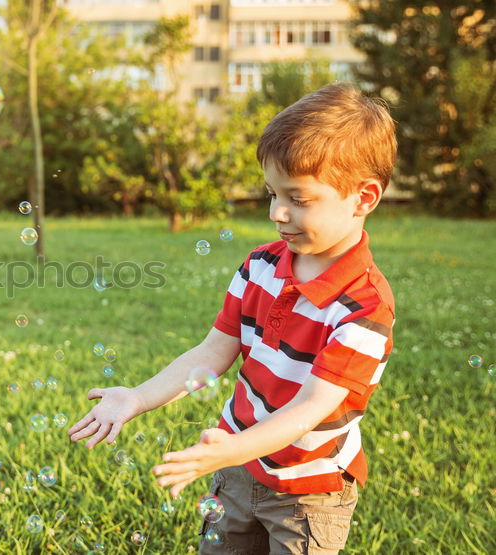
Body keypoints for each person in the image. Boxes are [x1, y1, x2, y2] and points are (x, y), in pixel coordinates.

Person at [68, 82, 397, 554]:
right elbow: (212, 352)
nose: (277, 212)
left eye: (299, 199)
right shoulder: (260, 265)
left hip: (308, 492)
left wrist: (231, 449)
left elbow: (309, 409)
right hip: (237, 468)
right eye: (272, 192)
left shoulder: (364, 308)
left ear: (363, 198)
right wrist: (136, 398)